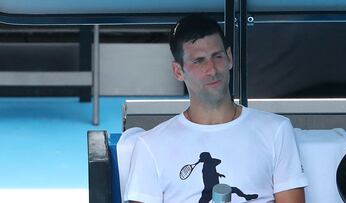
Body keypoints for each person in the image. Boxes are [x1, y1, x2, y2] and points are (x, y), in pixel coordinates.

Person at [124, 14, 308, 203]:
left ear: (229, 58)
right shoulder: (151, 145)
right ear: (178, 71)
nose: (212, 70)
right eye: (199, 61)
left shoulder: (276, 130)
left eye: (217, 56)